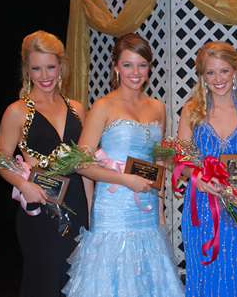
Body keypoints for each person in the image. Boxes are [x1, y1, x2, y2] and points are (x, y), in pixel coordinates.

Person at [61, 33, 184, 296]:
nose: (135, 72)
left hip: (148, 209)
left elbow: (158, 163)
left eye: (142, 64)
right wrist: (125, 180)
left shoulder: (158, 107)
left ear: (149, 66)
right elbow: (81, 165)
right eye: (128, 65)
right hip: (113, 210)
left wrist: (161, 210)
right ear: (115, 67)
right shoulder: (103, 106)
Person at [0, 30, 92, 296]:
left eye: (50, 66)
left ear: (62, 66)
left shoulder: (78, 108)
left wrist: (91, 208)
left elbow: (85, 167)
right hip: (40, 205)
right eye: (36, 68)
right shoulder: (17, 110)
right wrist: (22, 184)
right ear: (27, 70)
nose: (45, 75)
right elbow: (1, 160)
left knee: (77, 279)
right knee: (46, 278)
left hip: (76, 204)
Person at [177, 41, 237, 296]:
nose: (217, 78)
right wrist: (195, 175)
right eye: (211, 72)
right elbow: (181, 159)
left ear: (235, 71)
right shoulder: (192, 110)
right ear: (202, 75)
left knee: (234, 273)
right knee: (202, 275)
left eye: (224, 71)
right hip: (200, 206)